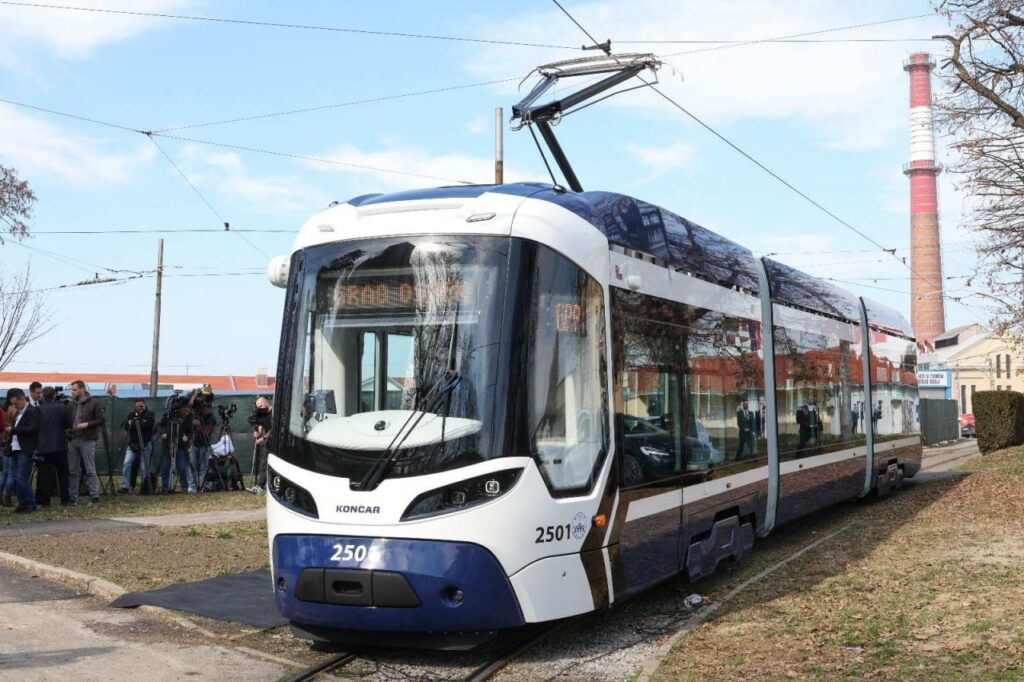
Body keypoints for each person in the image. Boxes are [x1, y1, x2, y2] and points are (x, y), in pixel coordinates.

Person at [67, 380, 105, 505]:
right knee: (73, 470)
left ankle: (94, 496)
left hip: (87, 439)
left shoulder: (93, 403)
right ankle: (73, 497)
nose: (72, 392)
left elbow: (101, 420)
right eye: (72, 390)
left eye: (74, 390)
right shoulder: (71, 404)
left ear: (82, 389)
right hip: (73, 439)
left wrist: (87, 424)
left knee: (90, 469)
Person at [35, 387, 73, 507]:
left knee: (44, 474)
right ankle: (65, 499)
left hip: (43, 447)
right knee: (63, 473)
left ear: (42, 396)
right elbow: (69, 424)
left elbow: (34, 427)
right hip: (59, 445)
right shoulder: (62, 408)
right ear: (54, 396)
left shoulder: (38, 410)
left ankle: (45, 500)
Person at [5, 388, 40, 513]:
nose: (14, 406)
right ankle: (22, 503)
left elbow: (33, 429)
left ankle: (30, 503)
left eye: (16, 403)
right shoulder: (18, 413)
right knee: (16, 477)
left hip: (24, 449)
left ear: (21, 399)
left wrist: (13, 430)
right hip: (15, 448)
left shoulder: (33, 411)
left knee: (21, 477)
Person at [121, 398, 155, 494]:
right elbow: (126, 426)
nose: (139, 408)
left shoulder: (150, 414)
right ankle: (125, 486)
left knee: (144, 467)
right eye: (137, 406)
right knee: (126, 464)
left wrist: (134, 423)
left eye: (141, 406)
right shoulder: (131, 414)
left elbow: (147, 425)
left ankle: (144, 488)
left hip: (145, 444)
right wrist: (137, 423)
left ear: (144, 405)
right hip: (132, 444)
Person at [160, 405, 193, 493]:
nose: (186, 413)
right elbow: (159, 425)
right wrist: (163, 433)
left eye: (188, 411)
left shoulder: (188, 419)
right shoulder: (168, 416)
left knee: (182, 467)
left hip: (181, 446)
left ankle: (184, 487)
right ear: (181, 409)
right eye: (185, 411)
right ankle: (165, 487)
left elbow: (190, 431)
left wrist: (187, 437)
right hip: (167, 445)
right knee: (165, 467)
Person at [249, 397, 273, 495]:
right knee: (264, 463)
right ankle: (260, 486)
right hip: (268, 442)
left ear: (266, 403)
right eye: (257, 407)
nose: (259, 408)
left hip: (277, 442)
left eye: (260, 406)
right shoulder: (261, 414)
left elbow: (273, 430)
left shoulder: (275, 413)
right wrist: (257, 433)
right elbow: (261, 428)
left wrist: (263, 438)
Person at [190, 402, 216, 493]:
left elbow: (206, 433)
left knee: (204, 466)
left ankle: (202, 486)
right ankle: (192, 486)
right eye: (204, 406)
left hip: (204, 444)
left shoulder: (211, 418)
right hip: (194, 444)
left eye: (208, 406)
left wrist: (199, 425)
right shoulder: (196, 415)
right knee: (192, 465)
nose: (206, 408)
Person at [0, 401, 12, 508]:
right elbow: (2, 427)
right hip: (9, 442)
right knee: (10, 472)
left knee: (5, 472)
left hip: (6, 443)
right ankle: (7, 496)